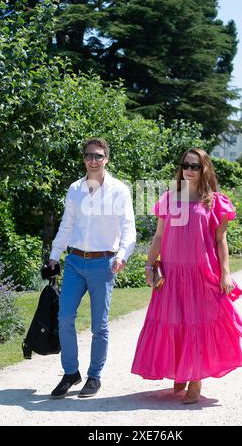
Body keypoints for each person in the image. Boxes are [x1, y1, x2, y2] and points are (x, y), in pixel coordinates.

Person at [131, 148, 242, 404]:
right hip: (172, 273)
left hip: (201, 273)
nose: (189, 170)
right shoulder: (170, 198)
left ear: (204, 168)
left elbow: (220, 240)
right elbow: (159, 237)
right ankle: (180, 372)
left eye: (195, 166)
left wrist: (225, 273)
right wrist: (150, 266)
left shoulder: (215, 201)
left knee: (197, 323)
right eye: (186, 165)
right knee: (174, 322)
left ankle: (195, 381)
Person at [49, 138, 136, 399]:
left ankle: (94, 377)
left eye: (98, 155)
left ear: (106, 158)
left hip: (103, 263)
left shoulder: (119, 190)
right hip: (75, 261)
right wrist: (54, 255)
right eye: (89, 155)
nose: (93, 160)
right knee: (64, 318)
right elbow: (66, 225)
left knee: (99, 325)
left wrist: (122, 255)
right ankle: (70, 373)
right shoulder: (75, 189)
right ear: (84, 159)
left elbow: (128, 227)